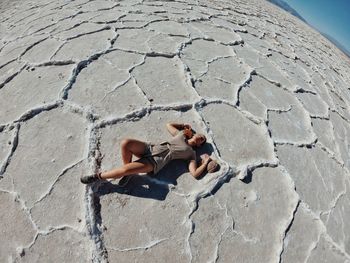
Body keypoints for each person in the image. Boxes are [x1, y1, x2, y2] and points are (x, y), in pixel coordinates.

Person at [80, 122, 214, 184]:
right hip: (149, 148)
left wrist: (206, 162)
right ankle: (128, 172)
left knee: (124, 169)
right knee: (126, 142)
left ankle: (97, 177)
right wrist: (183, 125)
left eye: (202, 139)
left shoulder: (191, 154)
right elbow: (168, 125)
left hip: (154, 162)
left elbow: (195, 174)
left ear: (199, 144)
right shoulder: (181, 134)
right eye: (200, 135)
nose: (199, 137)